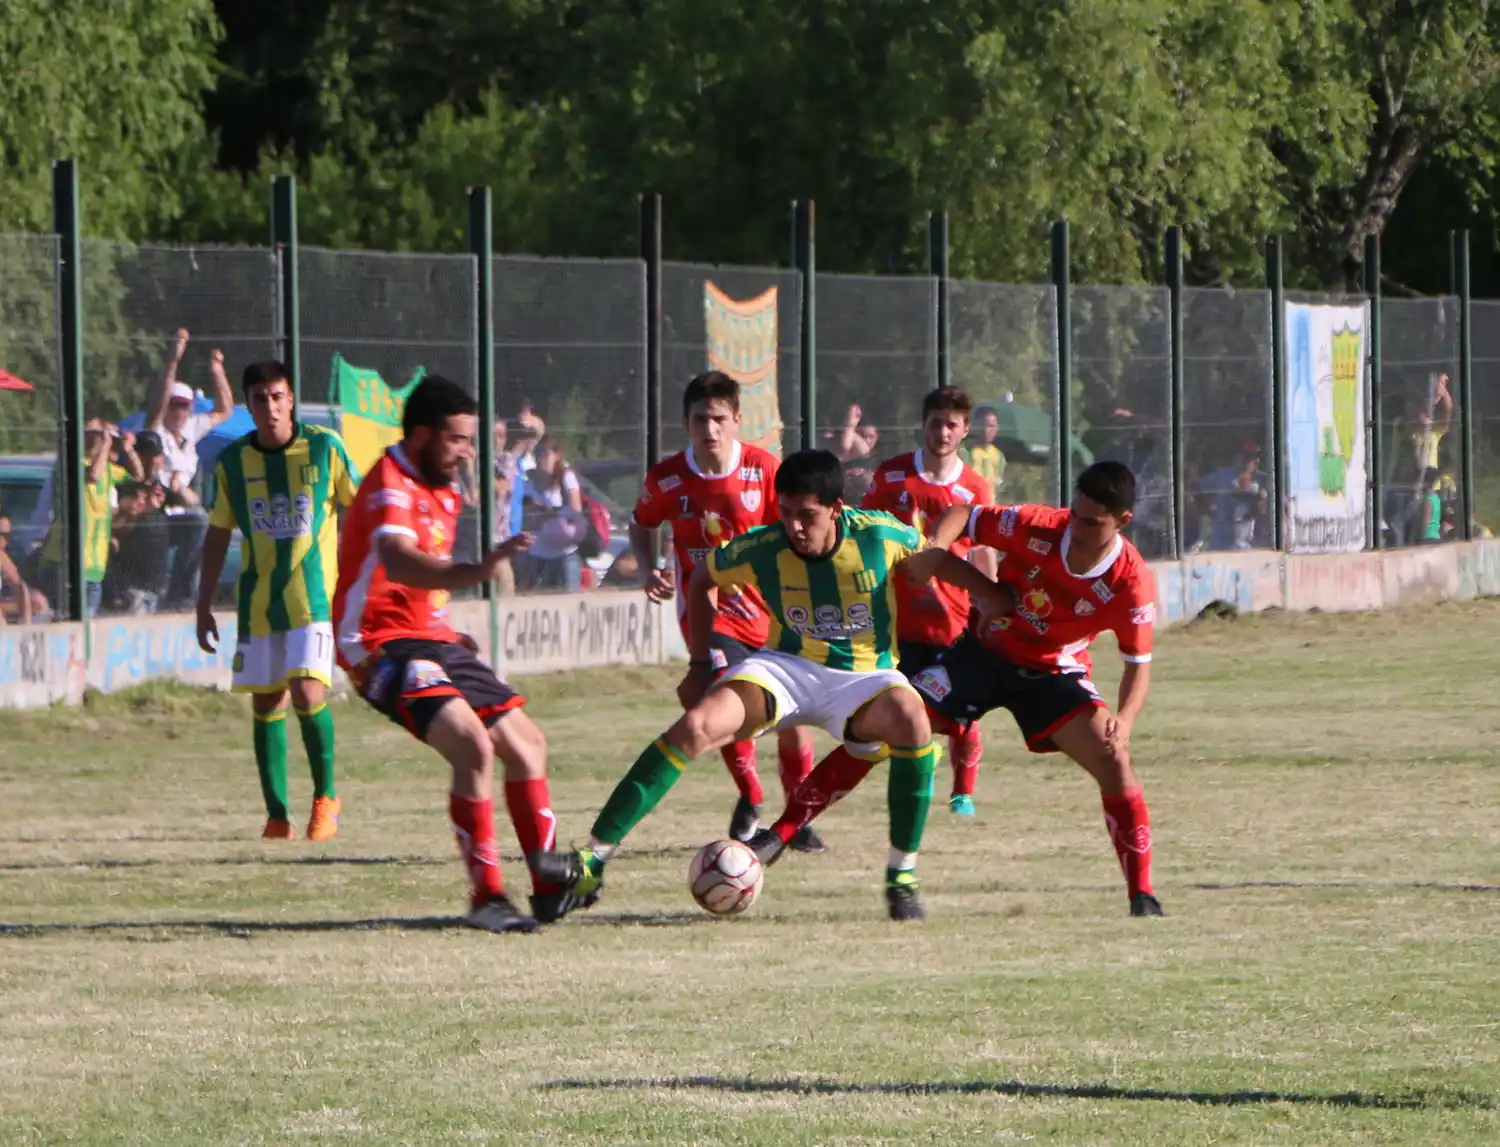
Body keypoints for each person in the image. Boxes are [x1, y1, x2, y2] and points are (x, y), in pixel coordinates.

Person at [542, 449, 1015, 922]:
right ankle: (591, 862)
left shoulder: (879, 535)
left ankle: (902, 877)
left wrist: (993, 598)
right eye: (785, 513)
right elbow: (704, 578)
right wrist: (701, 662)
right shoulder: (763, 546)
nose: (794, 527)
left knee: (913, 722)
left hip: (865, 676)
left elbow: (936, 559)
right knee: (695, 725)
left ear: (836, 509)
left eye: (806, 515)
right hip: (786, 667)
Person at [331, 375, 583, 933]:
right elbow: (398, 561)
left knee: (528, 745)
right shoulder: (388, 481)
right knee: (472, 746)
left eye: (471, 440)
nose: (468, 451)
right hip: (377, 646)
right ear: (420, 435)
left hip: (431, 639)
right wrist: (475, 572)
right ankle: (488, 897)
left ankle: (547, 885)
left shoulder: (445, 486)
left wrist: (447, 628)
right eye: (458, 440)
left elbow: (421, 585)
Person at [918, 461, 1164, 917]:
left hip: (1053, 674)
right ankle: (785, 833)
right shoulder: (1037, 524)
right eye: (1076, 514)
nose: (1079, 527)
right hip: (983, 653)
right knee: (892, 721)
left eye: (1093, 522)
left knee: (1115, 760)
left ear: (1122, 522)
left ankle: (1142, 896)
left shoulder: (1132, 582)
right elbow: (962, 512)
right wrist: (934, 548)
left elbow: (1138, 665)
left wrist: (1124, 721)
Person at [629, 371, 821, 849]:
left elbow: (796, 529)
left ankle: (796, 818)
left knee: (790, 718)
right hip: (708, 612)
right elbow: (641, 523)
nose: (710, 429)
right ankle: (752, 795)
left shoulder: (765, 469)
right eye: (700, 419)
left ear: (737, 420)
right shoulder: (668, 478)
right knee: (724, 695)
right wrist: (646, 568)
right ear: (685, 423)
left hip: (771, 612)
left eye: (719, 418)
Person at [196, 361, 360, 843]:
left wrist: (359, 580)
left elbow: (360, 506)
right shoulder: (231, 463)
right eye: (260, 398)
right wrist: (203, 603)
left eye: (277, 396)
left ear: (291, 399)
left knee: (309, 693)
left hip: (313, 599)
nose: (270, 406)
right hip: (259, 602)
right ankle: (276, 816)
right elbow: (217, 532)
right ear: (247, 405)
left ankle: (326, 799)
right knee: (267, 701)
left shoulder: (326, 447)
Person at [862, 386, 996, 816]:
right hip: (897, 618)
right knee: (899, 707)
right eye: (936, 422)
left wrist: (988, 605)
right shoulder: (892, 476)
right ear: (924, 424)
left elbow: (983, 549)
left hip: (952, 619)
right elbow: (868, 533)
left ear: (965, 430)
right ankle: (921, 769)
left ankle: (963, 794)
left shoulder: (975, 487)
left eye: (952, 424)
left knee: (962, 711)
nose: (942, 431)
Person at [147, 330, 234, 610]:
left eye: (183, 406)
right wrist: (173, 360)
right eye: (174, 406)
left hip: (182, 511)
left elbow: (225, 410)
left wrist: (217, 371)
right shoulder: (157, 430)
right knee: (190, 524)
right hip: (155, 510)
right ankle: (166, 593)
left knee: (203, 526)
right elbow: (159, 400)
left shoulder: (191, 428)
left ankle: (185, 596)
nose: (178, 412)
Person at [38, 418, 143, 617]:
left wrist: (128, 450)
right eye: (95, 434)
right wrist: (106, 444)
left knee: (86, 629)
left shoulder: (109, 471)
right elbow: (93, 475)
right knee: (67, 626)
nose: (101, 440)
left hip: (94, 565)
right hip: (65, 564)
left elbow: (138, 476)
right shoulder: (69, 463)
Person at [518, 437, 586, 592]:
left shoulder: (566, 476)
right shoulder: (528, 481)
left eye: (545, 453)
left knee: (569, 599)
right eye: (537, 453)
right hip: (538, 553)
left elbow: (576, 510)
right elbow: (526, 516)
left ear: (557, 455)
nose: (541, 458)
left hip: (565, 552)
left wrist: (548, 513)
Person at [0, 516, 47, 624]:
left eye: (7, 536)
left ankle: (27, 635)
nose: (3, 540)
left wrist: (26, 614)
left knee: (38, 601)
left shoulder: (3, 558)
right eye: (0, 535)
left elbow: (19, 586)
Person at [963, 405, 1006, 496]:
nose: (986, 430)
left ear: (997, 428)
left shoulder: (999, 457)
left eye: (991, 426)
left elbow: (998, 486)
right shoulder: (965, 452)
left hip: (990, 507)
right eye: (982, 426)